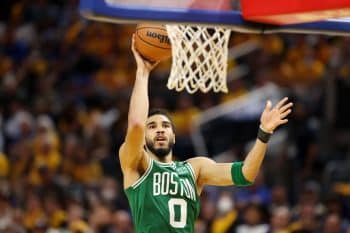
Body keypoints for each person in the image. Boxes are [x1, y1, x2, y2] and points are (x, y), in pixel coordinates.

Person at [118, 34, 293, 233]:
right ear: (144, 139)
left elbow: (246, 174)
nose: (159, 129)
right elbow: (136, 125)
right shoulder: (136, 163)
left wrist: (264, 133)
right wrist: (142, 73)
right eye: (152, 126)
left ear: (174, 136)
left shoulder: (195, 168)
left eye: (165, 126)